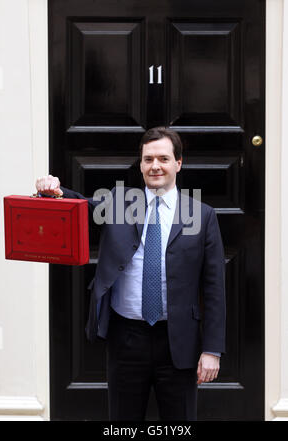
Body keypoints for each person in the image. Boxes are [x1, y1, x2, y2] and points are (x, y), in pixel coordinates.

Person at [36, 126, 226, 421]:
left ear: (178, 163)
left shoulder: (203, 215)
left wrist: (212, 349)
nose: (155, 166)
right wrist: (54, 192)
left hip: (178, 340)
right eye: (148, 159)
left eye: (163, 158)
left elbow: (214, 288)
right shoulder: (118, 202)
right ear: (140, 164)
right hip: (126, 337)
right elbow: (80, 209)